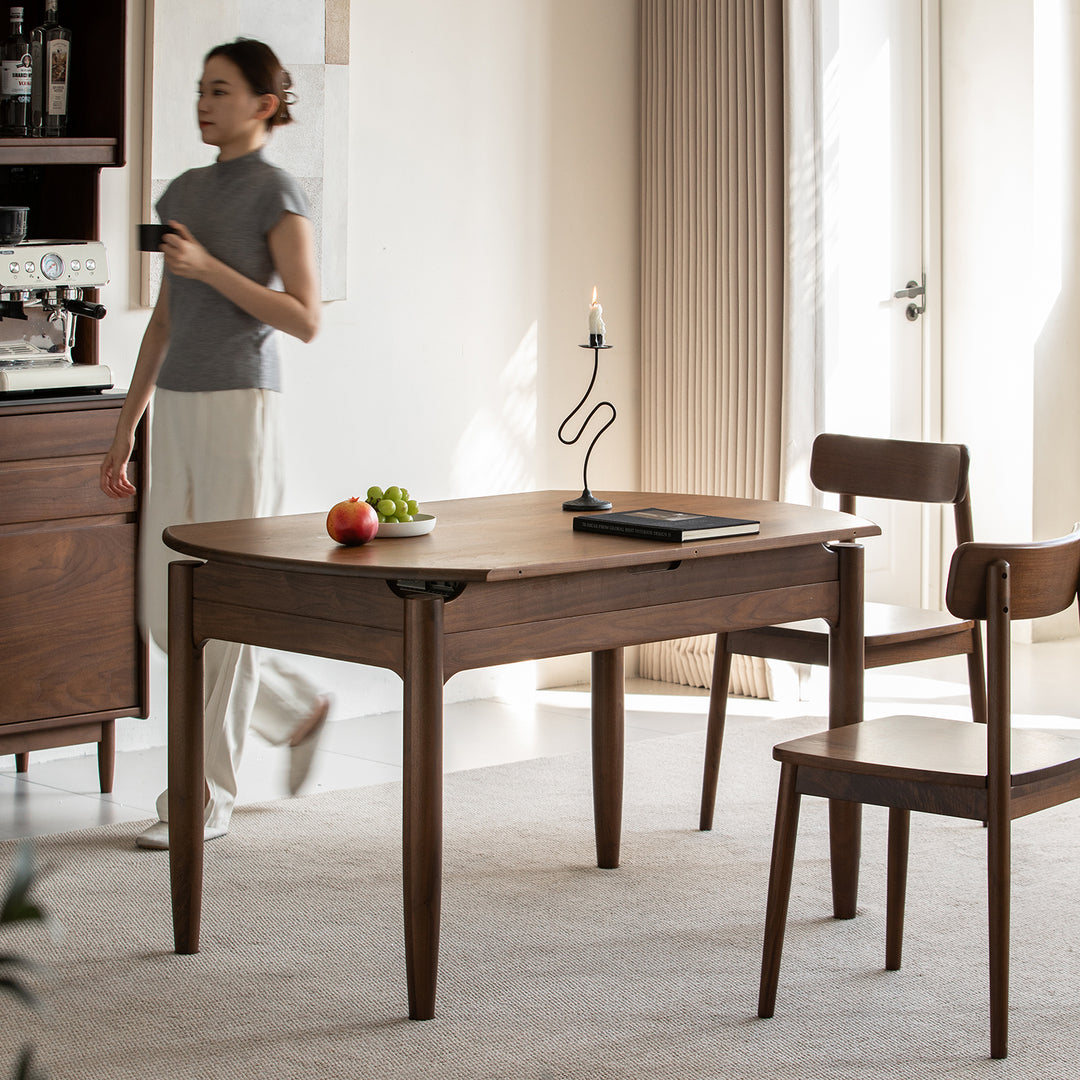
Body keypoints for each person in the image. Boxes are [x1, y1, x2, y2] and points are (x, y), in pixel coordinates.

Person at [100, 38, 329, 850]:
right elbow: (165, 319)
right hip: (181, 407)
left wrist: (210, 268)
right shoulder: (182, 190)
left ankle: (201, 801)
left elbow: (304, 318)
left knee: (220, 608)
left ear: (264, 104)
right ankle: (294, 706)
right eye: (200, 89)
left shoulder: (278, 191)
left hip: (242, 407)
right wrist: (127, 428)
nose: (204, 102)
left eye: (221, 90)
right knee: (167, 612)